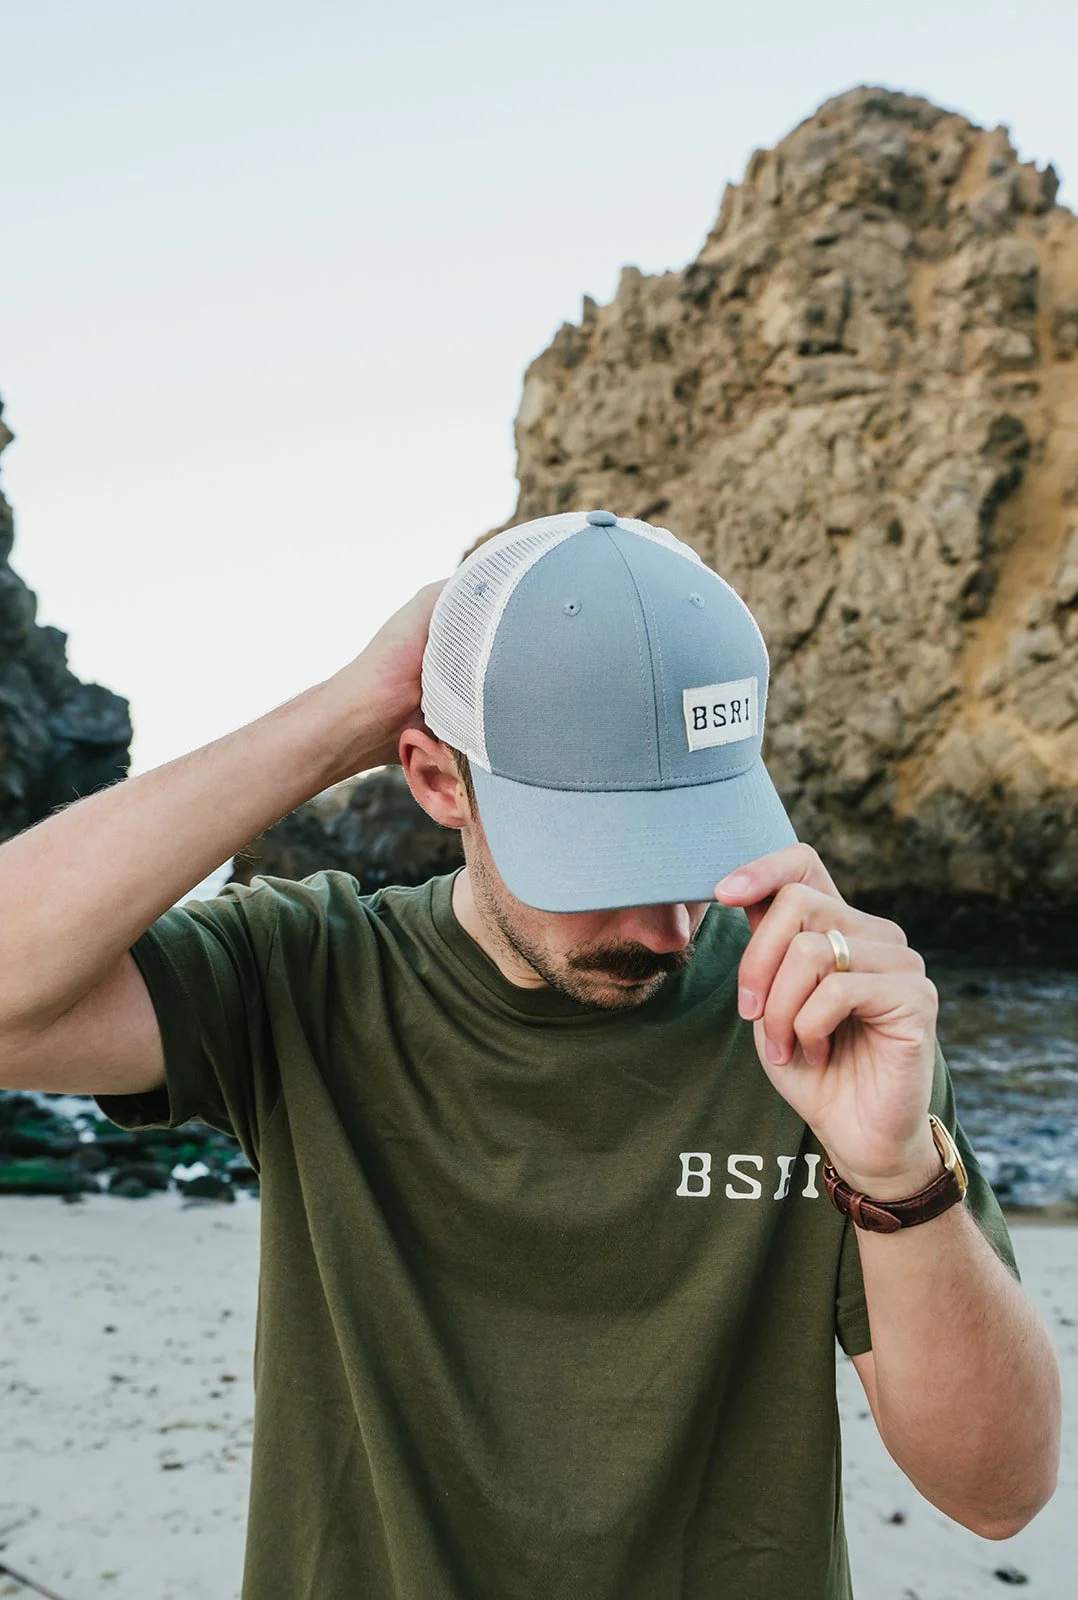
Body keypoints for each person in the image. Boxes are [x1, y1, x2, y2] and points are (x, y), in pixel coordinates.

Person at [0, 509, 1061, 1600]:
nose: (668, 929)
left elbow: (998, 1492)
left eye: (696, 844)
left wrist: (894, 1172)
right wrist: (346, 711)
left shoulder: (822, 1022)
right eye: (596, 857)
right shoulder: (305, 974)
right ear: (435, 780)